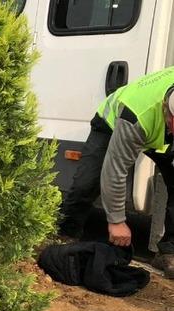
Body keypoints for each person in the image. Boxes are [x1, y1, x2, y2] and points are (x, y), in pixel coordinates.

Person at [59, 67, 174, 279]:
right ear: (167, 108)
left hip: (157, 131)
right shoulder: (139, 113)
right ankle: (66, 235)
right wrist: (117, 221)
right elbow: (116, 168)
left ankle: (169, 251)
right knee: (87, 182)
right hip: (112, 123)